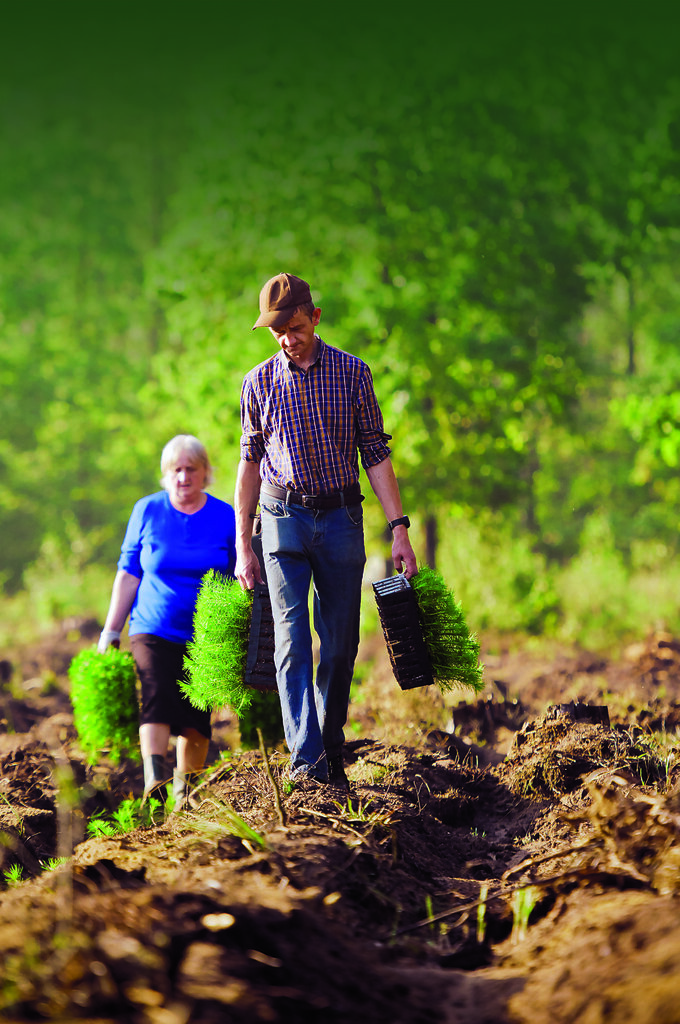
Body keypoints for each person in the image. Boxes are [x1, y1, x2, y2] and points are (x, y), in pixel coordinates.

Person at [234, 273, 417, 788]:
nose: (287, 340)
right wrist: (242, 543)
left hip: (341, 520)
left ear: (314, 318)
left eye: (293, 328)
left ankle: (329, 744)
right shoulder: (257, 383)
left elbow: (376, 455)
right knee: (291, 641)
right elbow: (248, 464)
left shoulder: (354, 374)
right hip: (282, 518)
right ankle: (306, 763)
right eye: (276, 333)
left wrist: (399, 529)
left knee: (337, 646)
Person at [98, 434, 236, 806]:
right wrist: (111, 628)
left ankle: (183, 796)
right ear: (165, 474)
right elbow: (128, 572)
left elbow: (242, 575)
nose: (183, 477)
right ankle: (155, 782)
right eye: (176, 470)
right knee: (156, 693)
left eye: (191, 469)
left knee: (196, 715)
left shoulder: (226, 516)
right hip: (151, 625)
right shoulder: (147, 510)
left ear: (206, 472)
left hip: (207, 634)